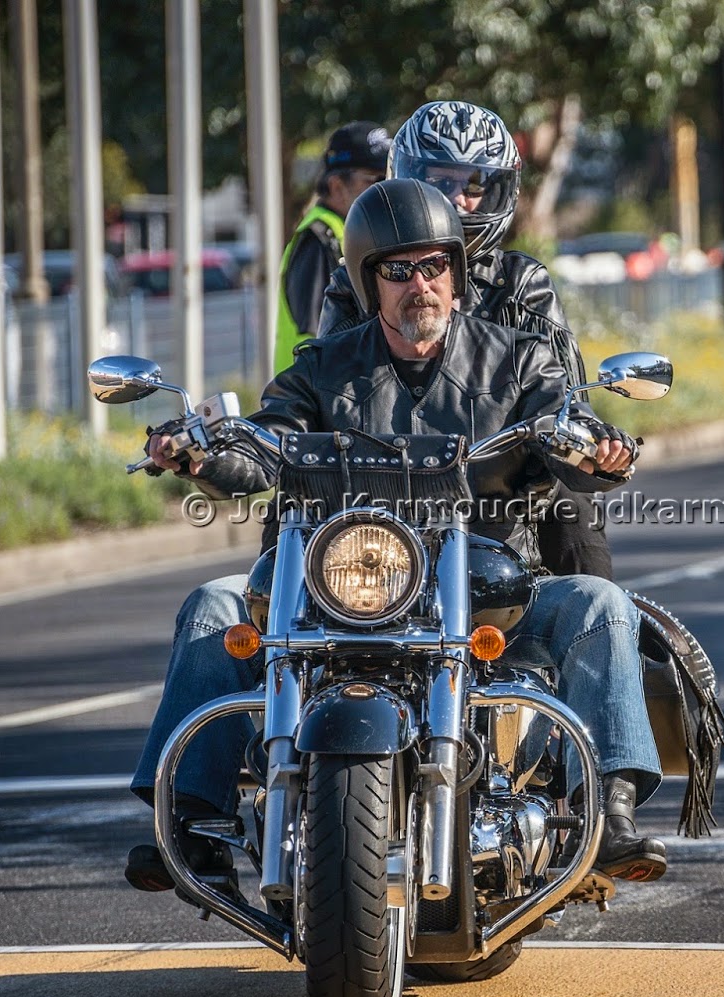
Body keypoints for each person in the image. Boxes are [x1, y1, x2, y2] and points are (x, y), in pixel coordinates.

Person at [124, 179, 669, 897]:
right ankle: (191, 822)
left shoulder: (519, 361)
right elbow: (264, 445)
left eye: (434, 266)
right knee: (212, 607)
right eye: (399, 270)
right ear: (368, 281)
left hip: (488, 590)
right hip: (344, 588)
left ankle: (609, 814)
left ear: (456, 273)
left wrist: (598, 450)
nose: (421, 285)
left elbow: (567, 430)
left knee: (601, 604)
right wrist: (201, 455)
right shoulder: (322, 368)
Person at [315, 100, 613, 582]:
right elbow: (327, 386)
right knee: (283, 534)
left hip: (502, 482)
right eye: (441, 181)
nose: (459, 199)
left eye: (474, 184)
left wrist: (586, 439)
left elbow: (566, 404)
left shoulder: (521, 283)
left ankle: (598, 620)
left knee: (579, 529)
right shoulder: (356, 280)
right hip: (381, 483)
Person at [272, 121, 390, 374]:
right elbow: (320, 333)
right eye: (377, 180)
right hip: (308, 393)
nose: (387, 189)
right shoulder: (317, 239)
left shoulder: (354, 235)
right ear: (337, 185)